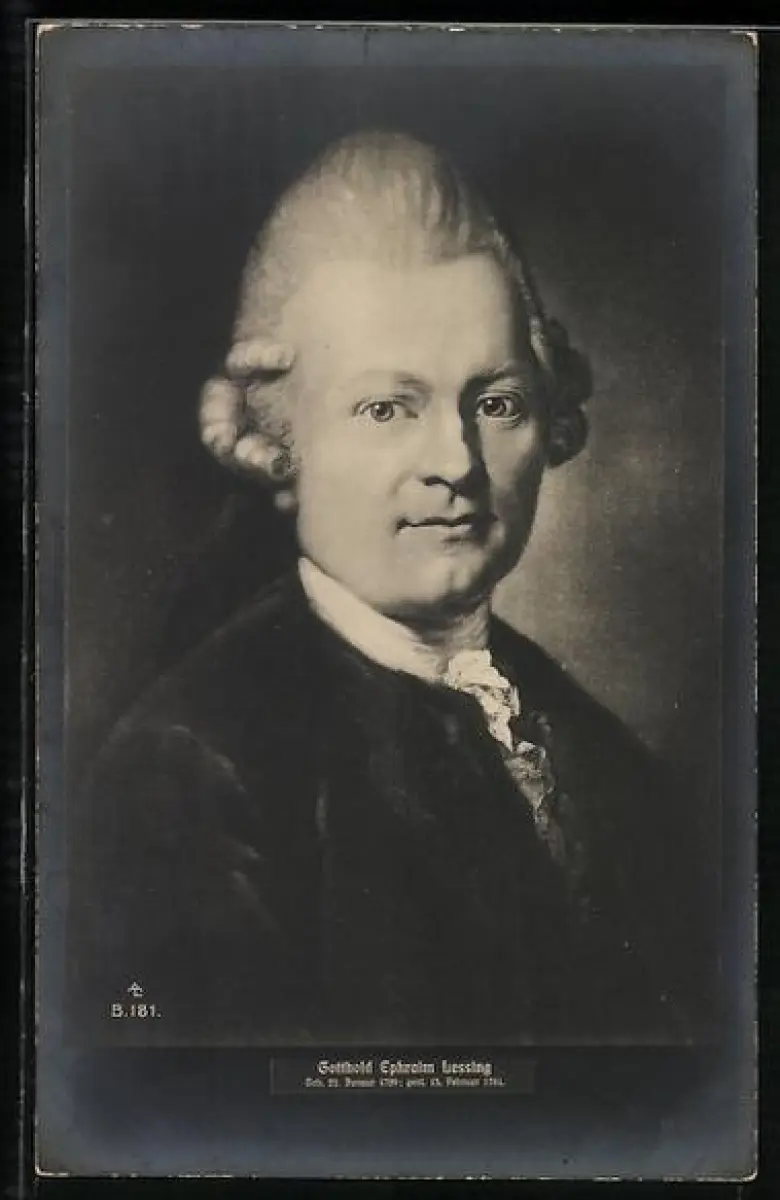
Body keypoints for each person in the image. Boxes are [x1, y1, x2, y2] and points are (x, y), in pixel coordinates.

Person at [70, 131, 708, 1047]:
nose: (455, 461)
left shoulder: (600, 756)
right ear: (278, 438)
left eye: (495, 403)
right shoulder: (192, 771)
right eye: (386, 408)